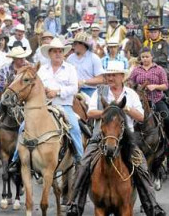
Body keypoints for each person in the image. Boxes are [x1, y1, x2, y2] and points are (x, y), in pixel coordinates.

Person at [67, 60, 166, 216]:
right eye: (108, 75)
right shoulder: (99, 92)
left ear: (122, 77)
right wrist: (109, 112)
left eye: (114, 75)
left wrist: (125, 108)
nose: (110, 77)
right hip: (101, 137)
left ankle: (152, 206)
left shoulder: (131, 94)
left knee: (142, 167)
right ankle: (75, 205)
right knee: (84, 163)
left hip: (126, 139)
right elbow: (90, 113)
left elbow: (141, 117)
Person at [36, 38, 83, 161]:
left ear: (63, 53)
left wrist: (57, 92)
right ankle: (17, 160)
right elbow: (36, 86)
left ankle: (80, 159)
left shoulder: (70, 68)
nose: (58, 54)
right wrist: (44, 90)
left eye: (60, 51)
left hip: (64, 106)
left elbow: (74, 88)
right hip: (44, 106)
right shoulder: (42, 69)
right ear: (50, 54)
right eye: (55, 51)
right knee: (24, 127)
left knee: (75, 128)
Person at [129, 48, 169, 135]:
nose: (145, 59)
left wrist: (155, 86)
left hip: (157, 100)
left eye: (147, 56)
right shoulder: (136, 70)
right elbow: (130, 82)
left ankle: (166, 141)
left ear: (152, 57)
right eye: (143, 57)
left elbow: (166, 86)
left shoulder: (159, 69)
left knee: (167, 118)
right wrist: (136, 87)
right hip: (139, 101)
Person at [67, 32, 104, 97]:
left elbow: (101, 79)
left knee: (93, 105)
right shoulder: (70, 58)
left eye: (78, 43)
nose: (75, 45)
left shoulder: (94, 58)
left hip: (90, 90)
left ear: (84, 45)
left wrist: (84, 81)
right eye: (74, 43)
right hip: (72, 90)